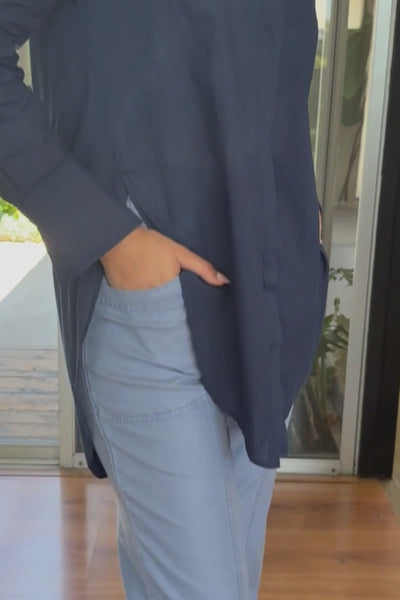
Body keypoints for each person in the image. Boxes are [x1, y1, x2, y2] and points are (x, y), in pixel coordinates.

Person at [0, 1, 329, 598]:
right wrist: (108, 235)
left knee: (228, 578)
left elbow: (270, 71)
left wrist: (298, 213)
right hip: (153, 301)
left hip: (268, 296)